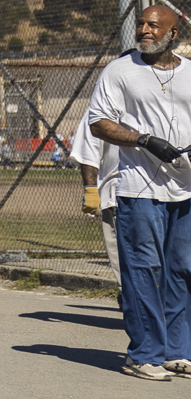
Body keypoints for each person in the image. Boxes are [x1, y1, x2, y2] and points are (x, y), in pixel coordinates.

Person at [82, 3, 191, 381]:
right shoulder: (120, 71)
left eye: (153, 26)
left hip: (185, 189)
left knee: (182, 270)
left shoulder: (190, 73)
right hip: (138, 187)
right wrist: (144, 140)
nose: (144, 30)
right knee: (144, 270)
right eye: (141, 24)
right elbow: (98, 123)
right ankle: (144, 353)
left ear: (173, 34)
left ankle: (178, 351)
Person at [72, 112, 122, 285]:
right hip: (117, 193)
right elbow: (88, 148)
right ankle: (129, 294)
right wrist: (90, 189)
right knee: (123, 253)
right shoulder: (101, 107)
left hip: (169, 191)